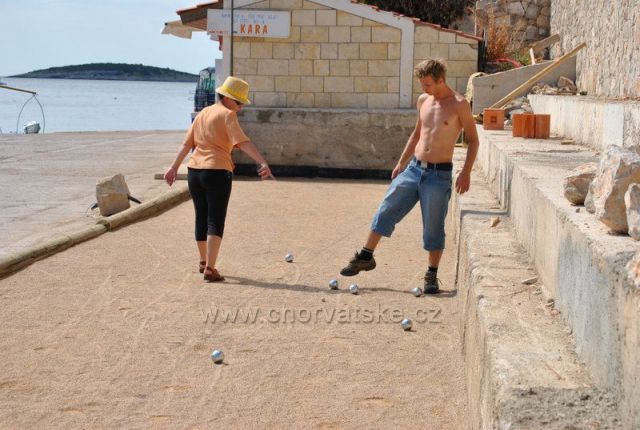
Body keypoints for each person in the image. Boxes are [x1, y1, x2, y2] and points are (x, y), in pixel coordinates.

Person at [339, 59, 479, 294]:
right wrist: (401, 163)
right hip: (414, 168)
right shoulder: (423, 100)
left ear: (441, 80)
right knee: (386, 208)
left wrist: (466, 172)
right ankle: (366, 256)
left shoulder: (459, 105)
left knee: (433, 226)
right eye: (422, 84)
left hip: (439, 174)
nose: (424, 89)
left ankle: (431, 275)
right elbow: (416, 134)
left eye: (428, 84)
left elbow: (473, 140)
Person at [164, 76, 274, 282]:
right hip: (217, 171)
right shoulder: (227, 114)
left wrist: (173, 167)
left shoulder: (203, 113)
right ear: (229, 98)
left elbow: (187, 144)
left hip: (194, 171)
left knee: (201, 216)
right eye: (239, 102)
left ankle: (203, 261)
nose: (240, 107)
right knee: (215, 219)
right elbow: (242, 142)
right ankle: (210, 268)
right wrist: (262, 162)